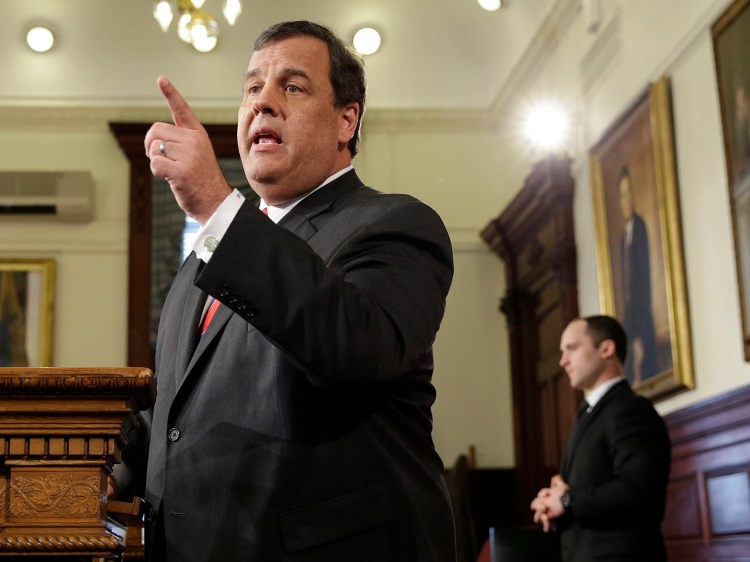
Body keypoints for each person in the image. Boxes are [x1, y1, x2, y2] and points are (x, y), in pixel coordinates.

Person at [118, 20, 456, 561]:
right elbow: (174, 416)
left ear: (347, 120)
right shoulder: (198, 266)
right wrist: (89, 463)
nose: (263, 104)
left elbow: (355, 349)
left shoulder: (395, 224)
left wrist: (215, 207)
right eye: (252, 88)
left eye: (291, 87)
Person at [530, 315, 670, 562]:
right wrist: (554, 505)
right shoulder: (587, 414)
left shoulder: (631, 409)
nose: (563, 361)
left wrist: (567, 499)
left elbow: (640, 490)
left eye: (572, 349)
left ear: (606, 348)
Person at [617, 167, 659, 384]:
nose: (627, 199)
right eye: (622, 195)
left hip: (641, 309)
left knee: (646, 361)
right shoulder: (623, 236)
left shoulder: (639, 227)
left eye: (629, 192)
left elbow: (642, 276)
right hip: (630, 311)